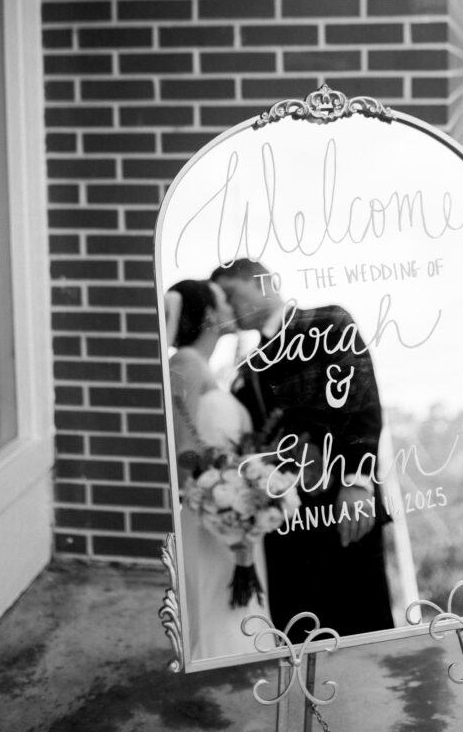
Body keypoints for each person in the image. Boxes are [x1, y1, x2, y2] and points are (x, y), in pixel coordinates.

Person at [211, 259, 394, 640]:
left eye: (231, 293)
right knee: (300, 638)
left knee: (364, 631)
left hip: (344, 511)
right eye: (221, 302)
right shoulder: (248, 370)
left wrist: (358, 481)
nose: (228, 308)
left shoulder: (328, 322)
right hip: (287, 530)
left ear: (264, 283)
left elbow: (363, 404)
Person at [166, 278, 271, 658]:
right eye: (224, 301)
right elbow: (183, 450)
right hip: (215, 520)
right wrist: (222, 507)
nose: (231, 309)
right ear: (210, 314)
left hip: (232, 518)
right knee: (221, 620)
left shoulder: (206, 368)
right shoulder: (185, 364)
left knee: (238, 615)